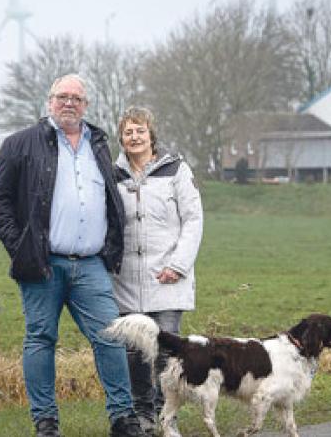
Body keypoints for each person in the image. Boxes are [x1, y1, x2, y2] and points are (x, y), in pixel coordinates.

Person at [0, 74, 144, 437]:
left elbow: (109, 198)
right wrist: (21, 247)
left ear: (86, 105)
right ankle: (46, 422)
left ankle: (123, 418)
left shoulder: (99, 145)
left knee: (111, 337)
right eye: (62, 96)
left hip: (91, 264)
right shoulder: (19, 143)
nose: (69, 103)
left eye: (76, 98)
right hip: (42, 263)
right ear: (49, 101)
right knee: (41, 339)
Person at [112, 106, 203, 433]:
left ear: (151, 135)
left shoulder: (176, 170)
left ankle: (168, 416)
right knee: (135, 352)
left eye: (140, 131)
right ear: (121, 138)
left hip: (167, 277)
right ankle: (143, 414)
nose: (134, 137)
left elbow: (193, 219)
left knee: (166, 353)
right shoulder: (113, 175)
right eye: (128, 132)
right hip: (126, 280)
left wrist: (178, 265)